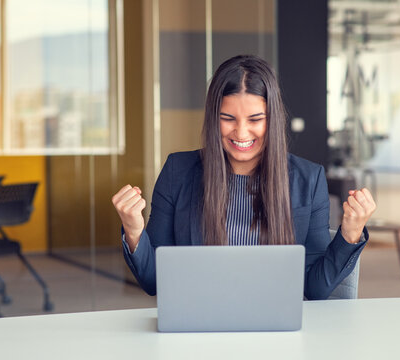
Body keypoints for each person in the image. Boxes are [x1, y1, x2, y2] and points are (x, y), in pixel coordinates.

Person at [112, 54, 376, 299]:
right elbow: (154, 282)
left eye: (255, 119)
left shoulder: (308, 180)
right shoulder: (177, 172)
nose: (241, 133)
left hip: (273, 328)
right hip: (198, 325)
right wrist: (134, 231)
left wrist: (349, 234)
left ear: (271, 119)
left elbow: (315, 288)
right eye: (228, 118)